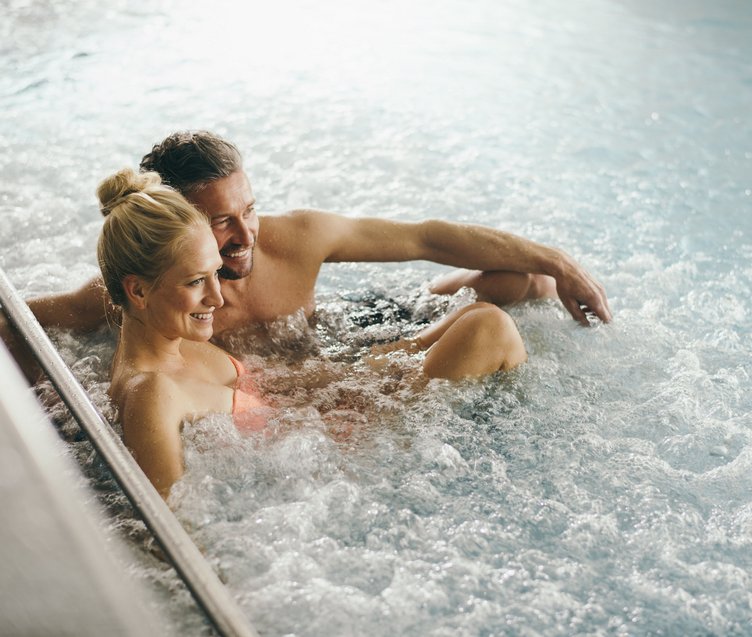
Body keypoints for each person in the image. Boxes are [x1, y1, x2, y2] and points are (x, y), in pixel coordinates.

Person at [1, 130, 610, 381]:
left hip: (346, 332)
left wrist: (560, 262)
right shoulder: (135, 294)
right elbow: (18, 318)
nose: (246, 235)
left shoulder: (294, 238)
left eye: (250, 210)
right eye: (220, 223)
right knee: (490, 325)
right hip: (307, 385)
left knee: (528, 280)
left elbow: (427, 238)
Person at [97, 168, 527, 498]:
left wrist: (366, 374)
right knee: (490, 328)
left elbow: (270, 395)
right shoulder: (152, 392)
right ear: (136, 290)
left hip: (323, 411)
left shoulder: (170, 343)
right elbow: (169, 534)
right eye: (196, 282)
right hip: (353, 456)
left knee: (493, 302)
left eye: (215, 276)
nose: (218, 297)